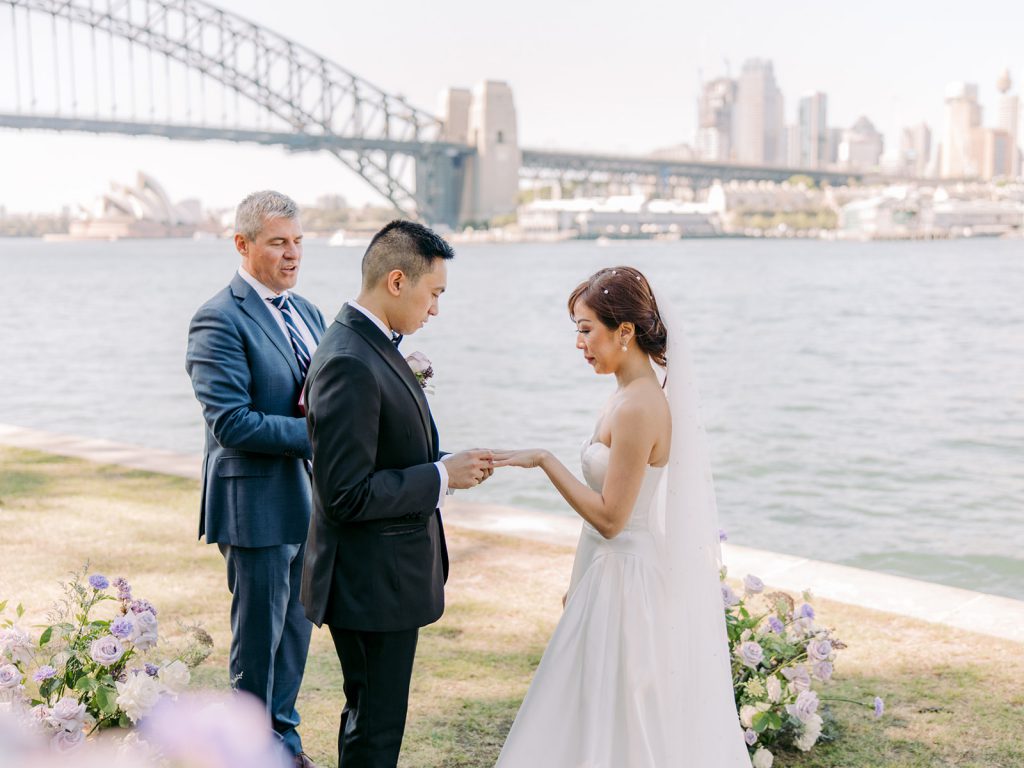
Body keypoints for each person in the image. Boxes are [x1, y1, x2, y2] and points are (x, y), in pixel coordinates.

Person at [492, 266, 752, 767]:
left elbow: (612, 518)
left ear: (625, 331)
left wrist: (545, 460)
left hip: (625, 578)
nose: (579, 343)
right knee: (589, 706)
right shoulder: (624, 395)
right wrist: (579, 576)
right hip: (605, 570)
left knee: (621, 715)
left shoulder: (638, 407)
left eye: (586, 329)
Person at [300, 220, 494, 768]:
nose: (435, 309)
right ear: (395, 281)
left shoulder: (371, 346)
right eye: (434, 294)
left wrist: (441, 463)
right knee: (376, 731)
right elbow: (344, 494)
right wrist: (440, 477)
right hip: (368, 583)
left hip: (382, 578)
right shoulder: (348, 360)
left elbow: (381, 452)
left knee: (372, 721)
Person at [185, 191, 324, 768]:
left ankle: (283, 748)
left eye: (297, 241)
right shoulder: (217, 317)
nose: (292, 254)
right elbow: (233, 422)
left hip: (309, 504)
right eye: (278, 243)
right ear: (243, 245)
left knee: (294, 641)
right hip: (255, 507)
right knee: (258, 649)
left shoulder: (310, 313)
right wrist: (325, 437)